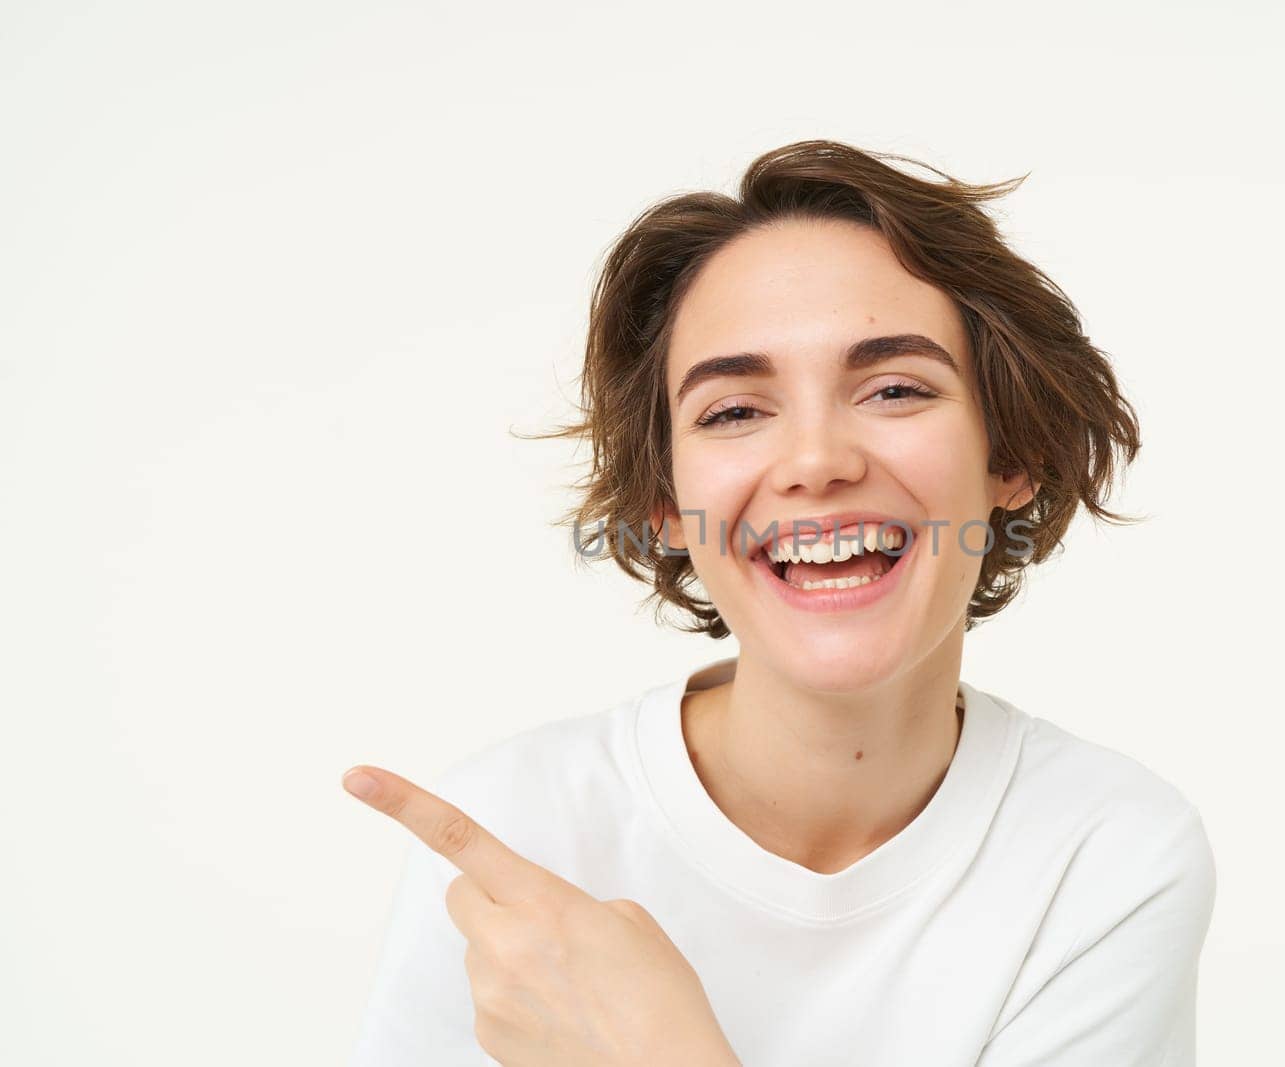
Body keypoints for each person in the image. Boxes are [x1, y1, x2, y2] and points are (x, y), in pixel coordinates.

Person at [346, 140, 1216, 1066]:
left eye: (893, 389)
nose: (816, 462)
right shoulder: (519, 833)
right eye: (733, 411)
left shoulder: (1107, 853)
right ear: (663, 501)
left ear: (1011, 456)